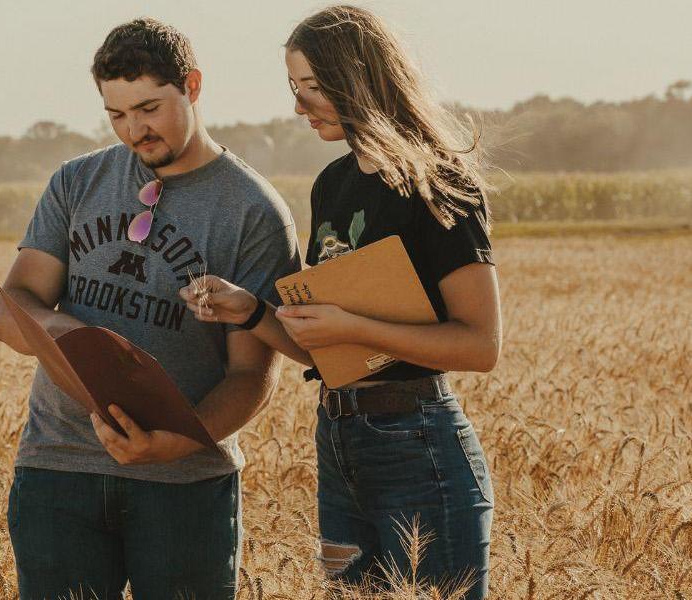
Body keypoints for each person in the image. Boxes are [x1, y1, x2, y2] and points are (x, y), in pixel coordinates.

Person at [181, 5, 502, 598]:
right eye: (294, 88)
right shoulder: (333, 184)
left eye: (312, 87)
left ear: (358, 77)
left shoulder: (438, 183)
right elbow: (323, 348)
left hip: (418, 443)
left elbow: (480, 345)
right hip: (337, 441)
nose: (299, 107)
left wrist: (355, 323)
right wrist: (250, 312)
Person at [0, 17, 301, 600]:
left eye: (150, 108)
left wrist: (178, 445)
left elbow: (252, 376)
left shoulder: (253, 210)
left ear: (194, 85)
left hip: (185, 484)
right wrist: (73, 334)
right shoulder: (77, 182)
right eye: (117, 115)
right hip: (59, 470)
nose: (135, 130)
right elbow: (11, 311)